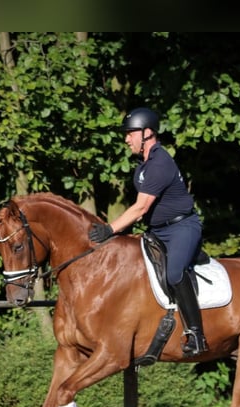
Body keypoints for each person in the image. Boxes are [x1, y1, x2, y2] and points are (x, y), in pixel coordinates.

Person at [88, 106, 208, 357]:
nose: (126, 138)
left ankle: (197, 334)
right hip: (157, 230)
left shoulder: (160, 163)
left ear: (148, 133)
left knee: (174, 274)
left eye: (131, 133)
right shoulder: (143, 165)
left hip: (181, 228)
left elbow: (141, 207)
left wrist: (110, 229)